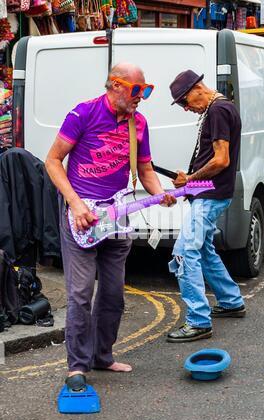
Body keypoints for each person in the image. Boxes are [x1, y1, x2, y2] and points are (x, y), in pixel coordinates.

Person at [45, 63, 176, 391]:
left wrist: (161, 195)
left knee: (114, 295)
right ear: (115, 86)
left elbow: (144, 170)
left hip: (118, 218)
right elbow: (52, 161)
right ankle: (77, 366)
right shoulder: (83, 114)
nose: (142, 98)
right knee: (79, 293)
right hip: (83, 217)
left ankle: (102, 355)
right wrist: (75, 203)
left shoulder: (139, 124)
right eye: (137, 91)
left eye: (146, 91)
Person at [167, 70, 245, 343]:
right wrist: (189, 182)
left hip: (211, 195)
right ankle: (231, 300)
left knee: (184, 252)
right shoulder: (220, 108)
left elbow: (221, 160)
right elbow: (212, 157)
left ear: (198, 87)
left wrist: (190, 179)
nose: (187, 108)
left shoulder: (218, 110)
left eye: (185, 101)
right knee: (203, 248)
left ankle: (198, 320)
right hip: (210, 192)